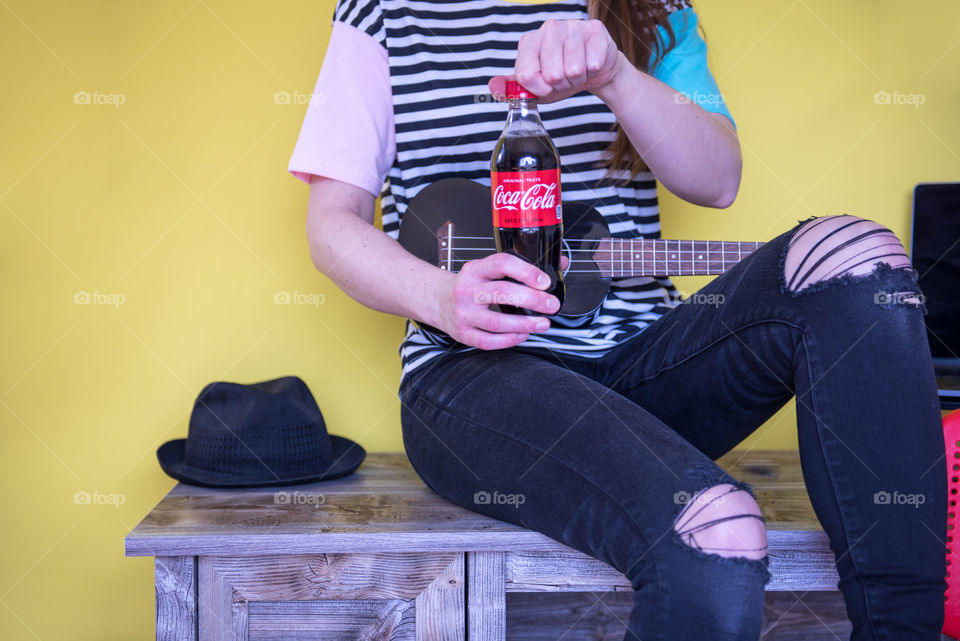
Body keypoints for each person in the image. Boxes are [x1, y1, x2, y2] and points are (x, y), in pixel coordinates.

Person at [288, 1, 947, 639]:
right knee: (715, 528)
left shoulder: (650, 8)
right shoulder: (383, 12)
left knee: (858, 255)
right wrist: (438, 297)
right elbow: (330, 226)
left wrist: (616, 77)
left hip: (648, 371)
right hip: (473, 376)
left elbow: (718, 180)